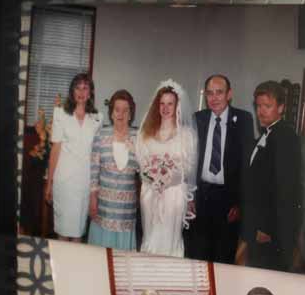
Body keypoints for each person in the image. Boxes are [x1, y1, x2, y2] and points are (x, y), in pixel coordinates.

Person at [188, 74, 254, 263]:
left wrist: (239, 203)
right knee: (198, 256)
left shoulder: (243, 120)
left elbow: (246, 166)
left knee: (223, 257)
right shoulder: (197, 118)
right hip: (201, 197)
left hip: (228, 201)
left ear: (229, 94)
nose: (214, 98)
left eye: (219, 92)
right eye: (209, 93)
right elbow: (190, 160)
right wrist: (190, 196)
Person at [240, 81, 302, 271]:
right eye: (258, 106)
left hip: (270, 231)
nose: (261, 111)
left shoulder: (286, 137)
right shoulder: (265, 135)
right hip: (256, 226)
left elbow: (285, 188)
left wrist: (266, 228)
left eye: (267, 106)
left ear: (281, 108)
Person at [136, 79, 197, 256]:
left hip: (174, 195)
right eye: (162, 103)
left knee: (169, 240)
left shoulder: (186, 135)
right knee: (151, 237)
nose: (165, 108)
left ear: (177, 105)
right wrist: (153, 178)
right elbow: (142, 162)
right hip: (150, 194)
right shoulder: (146, 134)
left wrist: (168, 178)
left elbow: (189, 166)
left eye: (170, 103)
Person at [45, 73, 103, 242]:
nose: (81, 92)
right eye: (77, 87)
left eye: (85, 88)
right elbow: (55, 150)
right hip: (63, 182)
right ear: (72, 91)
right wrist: (49, 183)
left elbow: (97, 155)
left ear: (91, 92)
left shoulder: (98, 118)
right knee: (62, 232)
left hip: (84, 182)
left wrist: (95, 189)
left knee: (78, 233)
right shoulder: (61, 114)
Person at [88, 89, 139, 250]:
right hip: (104, 208)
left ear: (131, 114)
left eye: (126, 110)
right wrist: (93, 199)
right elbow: (94, 170)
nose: (121, 114)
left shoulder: (138, 137)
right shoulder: (101, 135)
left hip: (126, 210)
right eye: (117, 109)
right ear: (111, 113)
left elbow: (143, 169)